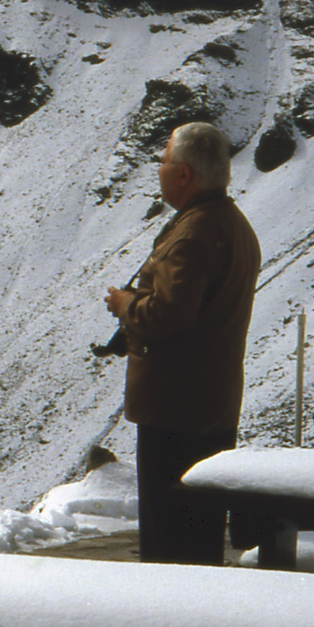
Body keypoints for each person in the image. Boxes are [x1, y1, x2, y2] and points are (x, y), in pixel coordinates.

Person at [104, 121, 259, 564]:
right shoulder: (233, 224)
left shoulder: (192, 234)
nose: (159, 167)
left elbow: (167, 316)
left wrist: (126, 304)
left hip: (174, 410)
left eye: (165, 160)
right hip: (214, 403)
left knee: (169, 540)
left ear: (185, 174)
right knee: (200, 533)